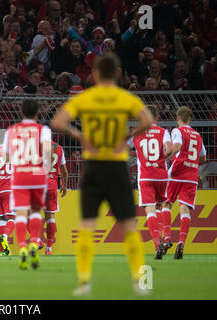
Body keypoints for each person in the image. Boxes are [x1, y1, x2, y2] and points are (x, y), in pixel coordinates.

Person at [51, 53, 154, 295]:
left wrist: (80, 136)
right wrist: (129, 135)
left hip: (94, 165)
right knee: (129, 226)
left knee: (87, 225)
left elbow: (58, 121)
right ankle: (139, 281)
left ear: (95, 74)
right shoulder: (125, 98)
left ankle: (84, 282)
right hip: (117, 167)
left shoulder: (86, 98)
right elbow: (148, 121)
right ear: (117, 74)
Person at [3, 99, 52, 269]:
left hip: (20, 176)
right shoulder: (43, 130)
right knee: (37, 212)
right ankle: (34, 242)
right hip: (38, 175)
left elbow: (6, 158)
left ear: (21, 112)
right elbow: (47, 153)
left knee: (21, 214)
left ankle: (22, 247)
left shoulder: (11, 130)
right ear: (37, 112)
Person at [127, 105, 172, 259]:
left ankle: (157, 244)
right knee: (164, 204)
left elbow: (124, 148)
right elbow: (170, 150)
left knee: (150, 210)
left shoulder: (137, 133)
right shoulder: (164, 132)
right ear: (157, 117)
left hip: (146, 177)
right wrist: (160, 159)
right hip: (161, 175)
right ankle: (167, 237)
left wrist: (139, 154)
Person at [161, 106, 206, 259]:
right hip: (192, 175)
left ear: (177, 118)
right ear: (190, 119)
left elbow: (177, 147)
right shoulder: (198, 135)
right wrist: (192, 161)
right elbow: (203, 158)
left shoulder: (177, 131)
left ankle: (167, 238)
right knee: (184, 208)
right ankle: (181, 243)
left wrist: (165, 157)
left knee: (166, 203)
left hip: (177, 172)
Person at [44, 141, 68, 255]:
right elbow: (64, 171)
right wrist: (64, 185)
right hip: (51, 186)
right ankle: (49, 248)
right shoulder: (59, 148)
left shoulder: (36, 146)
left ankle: (36, 241)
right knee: (50, 217)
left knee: (30, 213)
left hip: (37, 185)